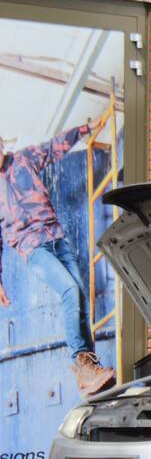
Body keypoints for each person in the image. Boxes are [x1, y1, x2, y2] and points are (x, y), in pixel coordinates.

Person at [0, 120, 116, 396]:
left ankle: (90, 370)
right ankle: (81, 361)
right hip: (32, 248)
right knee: (69, 290)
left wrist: (85, 129)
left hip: (56, 237)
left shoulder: (24, 159)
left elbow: (54, 147)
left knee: (81, 297)